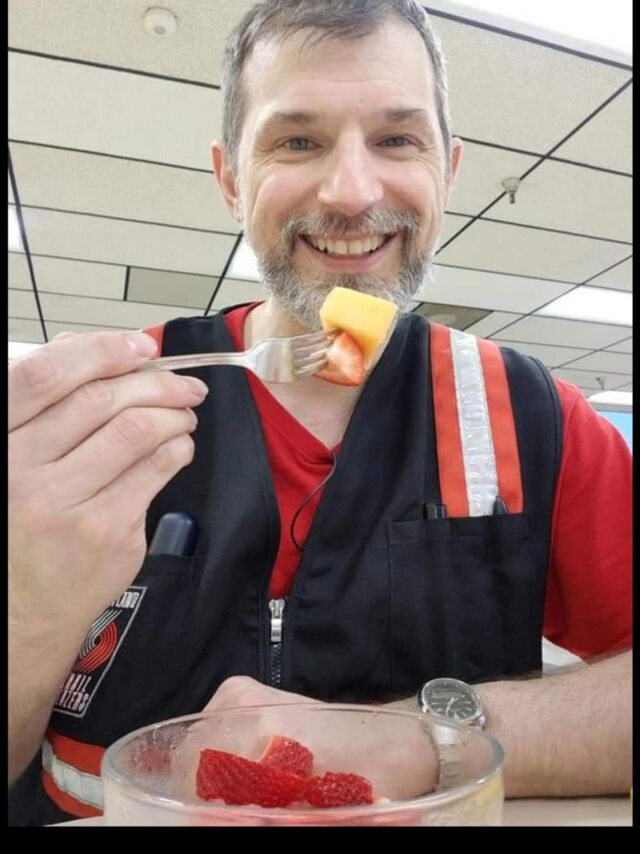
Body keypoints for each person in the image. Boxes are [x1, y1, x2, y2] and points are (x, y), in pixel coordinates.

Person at [9, 0, 631, 826]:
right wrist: (27, 607)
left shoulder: (532, 415)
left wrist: (428, 739)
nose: (351, 192)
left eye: (397, 139)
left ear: (448, 172)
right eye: (298, 141)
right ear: (232, 179)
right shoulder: (97, 414)